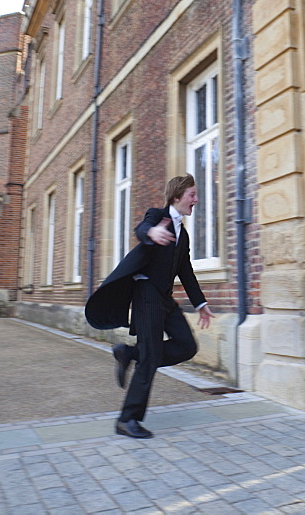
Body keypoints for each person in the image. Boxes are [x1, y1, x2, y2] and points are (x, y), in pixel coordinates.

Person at [85, 174, 215, 439]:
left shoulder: (184, 235)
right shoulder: (157, 215)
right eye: (192, 194)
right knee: (152, 356)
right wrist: (151, 232)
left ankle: (130, 354)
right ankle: (127, 419)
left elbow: (186, 272)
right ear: (177, 197)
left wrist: (201, 303)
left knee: (187, 346)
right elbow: (142, 229)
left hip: (164, 298)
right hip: (146, 296)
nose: (196, 199)